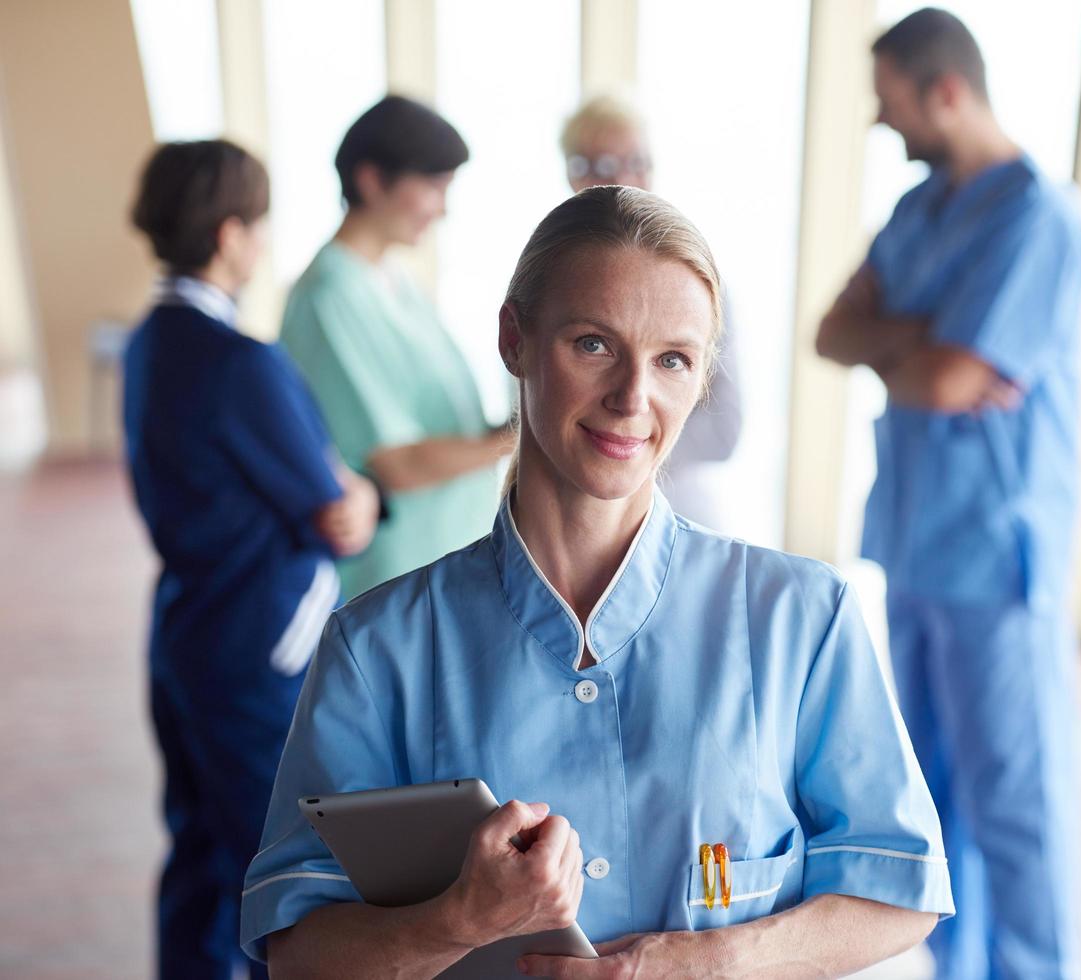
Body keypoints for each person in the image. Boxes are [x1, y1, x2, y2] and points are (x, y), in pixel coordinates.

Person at [240, 186, 954, 977]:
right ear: (515, 339)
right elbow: (297, 953)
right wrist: (457, 919)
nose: (631, 398)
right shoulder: (377, 651)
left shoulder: (801, 619)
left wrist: (701, 962)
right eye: (592, 344)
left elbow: (900, 893)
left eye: (672, 360)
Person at [815, 9, 1081, 980]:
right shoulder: (919, 210)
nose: (879, 124)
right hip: (917, 543)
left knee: (1014, 804)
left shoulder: (1040, 219)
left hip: (994, 551)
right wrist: (921, 337)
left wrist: (908, 342)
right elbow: (833, 333)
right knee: (933, 799)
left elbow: (942, 379)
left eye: (889, 102)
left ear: (943, 91)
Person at [123, 139, 380, 980]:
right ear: (231, 235)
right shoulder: (242, 363)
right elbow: (335, 512)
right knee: (277, 879)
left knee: (198, 860)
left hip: (183, 631)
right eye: (259, 226)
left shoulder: (148, 345)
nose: (264, 244)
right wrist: (368, 496)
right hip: (252, 649)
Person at [281, 94, 514, 600]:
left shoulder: (395, 278)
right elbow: (398, 464)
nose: (443, 209)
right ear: (371, 180)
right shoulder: (331, 295)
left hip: (447, 556)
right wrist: (530, 439)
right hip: (396, 575)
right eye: (433, 187)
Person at [560, 94, 743, 530]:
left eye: (637, 161)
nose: (625, 178)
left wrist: (617, 445)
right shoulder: (543, 282)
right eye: (603, 166)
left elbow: (725, 430)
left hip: (678, 512)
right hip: (573, 523)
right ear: (573, 173)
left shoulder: (699, 284)